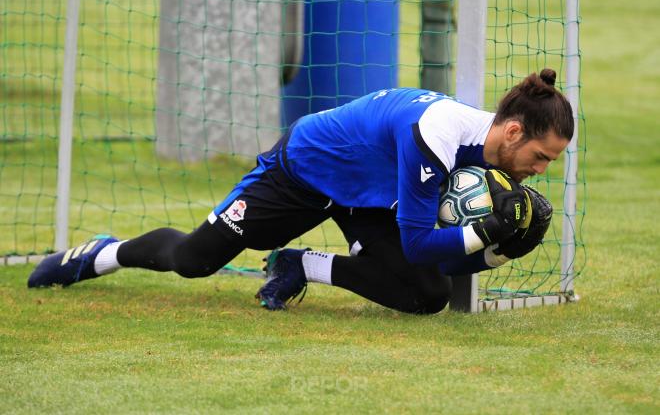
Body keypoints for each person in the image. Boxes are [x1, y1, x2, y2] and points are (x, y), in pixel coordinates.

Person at [28, 69, 573, 314]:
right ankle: (103, 253)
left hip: (367, 195)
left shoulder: (492, 152)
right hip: (304, 171)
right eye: (541, 156)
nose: (541, 170)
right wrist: (486, 234)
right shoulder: (438, 133)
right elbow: (418, 244)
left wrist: (499, 251)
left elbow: (437, 263)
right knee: (195, 260)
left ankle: (298, 266)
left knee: (425, 297)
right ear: (512, 131)